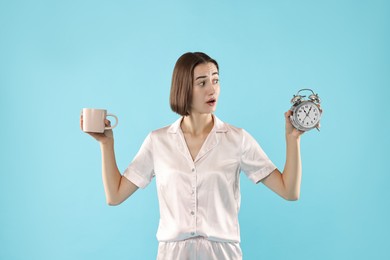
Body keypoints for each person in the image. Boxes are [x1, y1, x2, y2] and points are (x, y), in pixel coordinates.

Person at [81, 52, 304, 260]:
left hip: (222, 252)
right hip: (173, 253)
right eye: (202, 82)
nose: (212, 89)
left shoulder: (237, 139)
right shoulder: (158, 141)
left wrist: (292, 139)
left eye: (215, 80)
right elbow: (115, 195)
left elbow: (289, 191)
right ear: (184, 88)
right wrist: (107, 143)